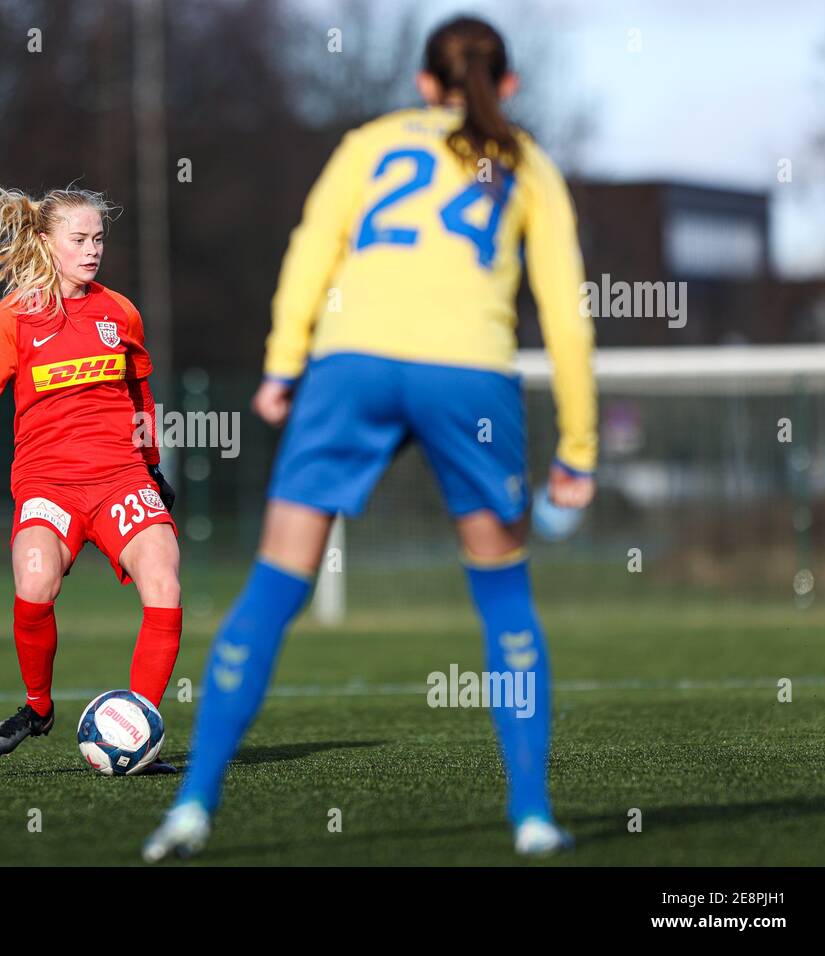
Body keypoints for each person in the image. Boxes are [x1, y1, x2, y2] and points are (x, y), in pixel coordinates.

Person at [144, 15, 597, 858]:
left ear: (425, 83)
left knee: (276, 587)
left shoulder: (370, 141)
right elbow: (568, 313)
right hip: (469, 376)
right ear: (509, 87)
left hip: (349, 364)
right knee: (504, 602)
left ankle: (193, 808)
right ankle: (532, 819)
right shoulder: (529, 164)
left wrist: (283, 363)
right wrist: (580, 446)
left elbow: (312, 248)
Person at [0, 185, 182, 771]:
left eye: (99, 238)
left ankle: (136, 729)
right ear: (47, 243)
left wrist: (151, 465)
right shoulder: (14, 317)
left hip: (121, 477)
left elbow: (139, 393)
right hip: (48, 483)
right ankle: (37, 708)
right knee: (35, 578)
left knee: (165, 582)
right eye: (80, 239)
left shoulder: (120, 311)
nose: (92, 249)